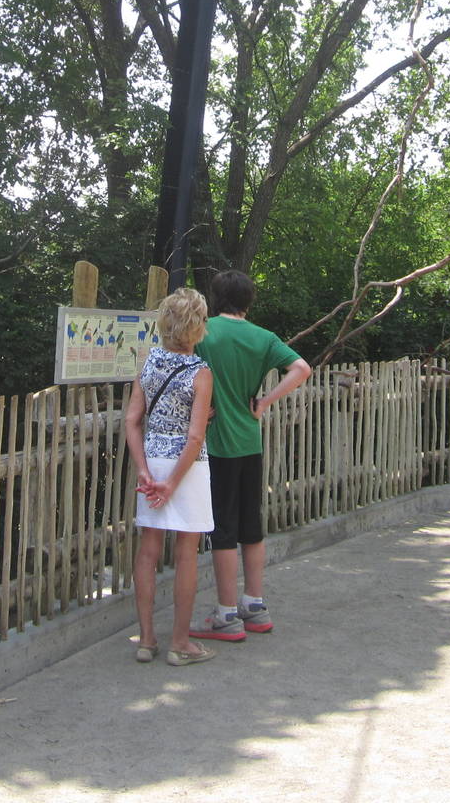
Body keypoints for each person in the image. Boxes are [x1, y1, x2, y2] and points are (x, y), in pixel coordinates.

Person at [190, 270, 311, 641]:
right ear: (248, 301)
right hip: (250, 442)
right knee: (251, 526)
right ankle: (255, 606)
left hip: (217, 444)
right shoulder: (264, 337)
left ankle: (226, 613)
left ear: (216, 298)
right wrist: (264, 402)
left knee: (222, 529)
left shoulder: (203, 332)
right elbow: (302, 369)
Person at [125, 288, 217, 666]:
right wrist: (174, 483)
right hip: (186, 469)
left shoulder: (148, 362)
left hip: (153, 462)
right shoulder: (201, 373)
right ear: (197, 327)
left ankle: (146, 639)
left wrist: (145, 471)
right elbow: (195, 437)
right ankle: (180, 643)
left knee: (148, 548)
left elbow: (133, 420)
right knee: (186, 552)